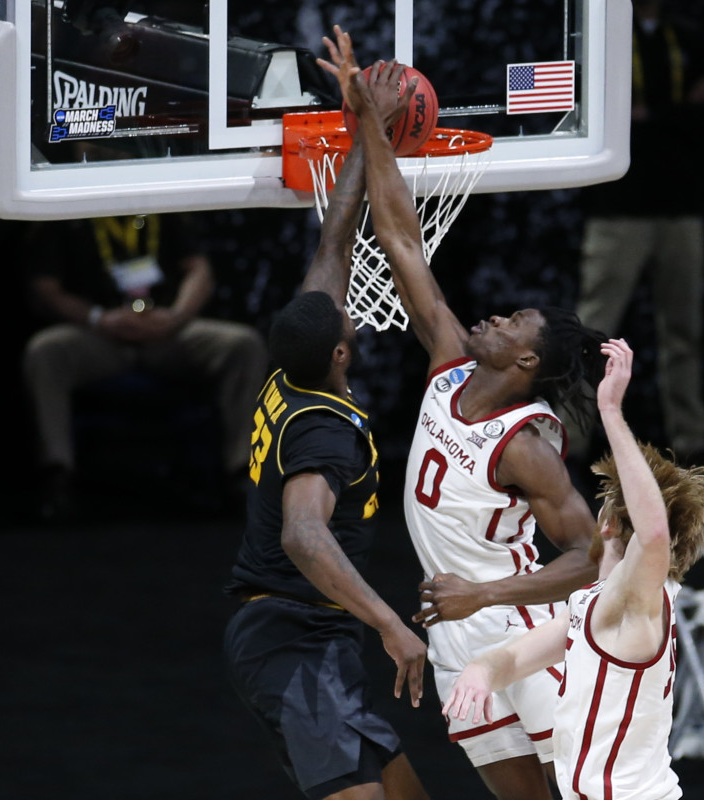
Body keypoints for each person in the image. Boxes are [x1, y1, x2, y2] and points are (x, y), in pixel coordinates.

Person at [320, 27, 607, 799]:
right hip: (455, 637)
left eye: (514, 323)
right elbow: (402, 241)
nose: (496, 318)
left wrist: (483, 595)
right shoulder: (449, 364)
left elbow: (591, 556)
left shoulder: (524, 444)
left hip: (519, 628)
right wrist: (370, 122)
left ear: (526, 364)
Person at [223, 65, 431, 800]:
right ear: (341, 354)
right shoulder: (323, 433)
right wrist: (390, 624)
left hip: (311, 635)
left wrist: (368, 127)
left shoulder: (292, 368)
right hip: (291, 636)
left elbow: (333, 248)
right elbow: (303, 536)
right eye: (348, 322)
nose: (349, 312)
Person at [441, 337, 704, 800]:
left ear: (607, 523)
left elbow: (652, 535)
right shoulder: (594, 605)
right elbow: (515, 658)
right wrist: (481, 671)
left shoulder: (634, 602)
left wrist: (611, 412)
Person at [21, 212, 267, 519]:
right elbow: (45, 286)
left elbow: (199, 270)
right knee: (45, 350)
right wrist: (97, 318)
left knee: (243, 344)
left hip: (166, 330)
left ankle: (242, 473)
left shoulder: (162, 205)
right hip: (99, 333)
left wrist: (176, 317)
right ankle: (57, 475)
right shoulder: (67, 213)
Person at [570, 0, 704, 469]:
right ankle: (569, 446)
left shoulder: (690, 38)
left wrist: (649, 115)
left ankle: (692, 445)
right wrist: (673, 114)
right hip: (618, 209)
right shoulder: (602, 38)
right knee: (593, 333)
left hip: (681, 207)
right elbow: (596, 112)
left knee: (684, 331)